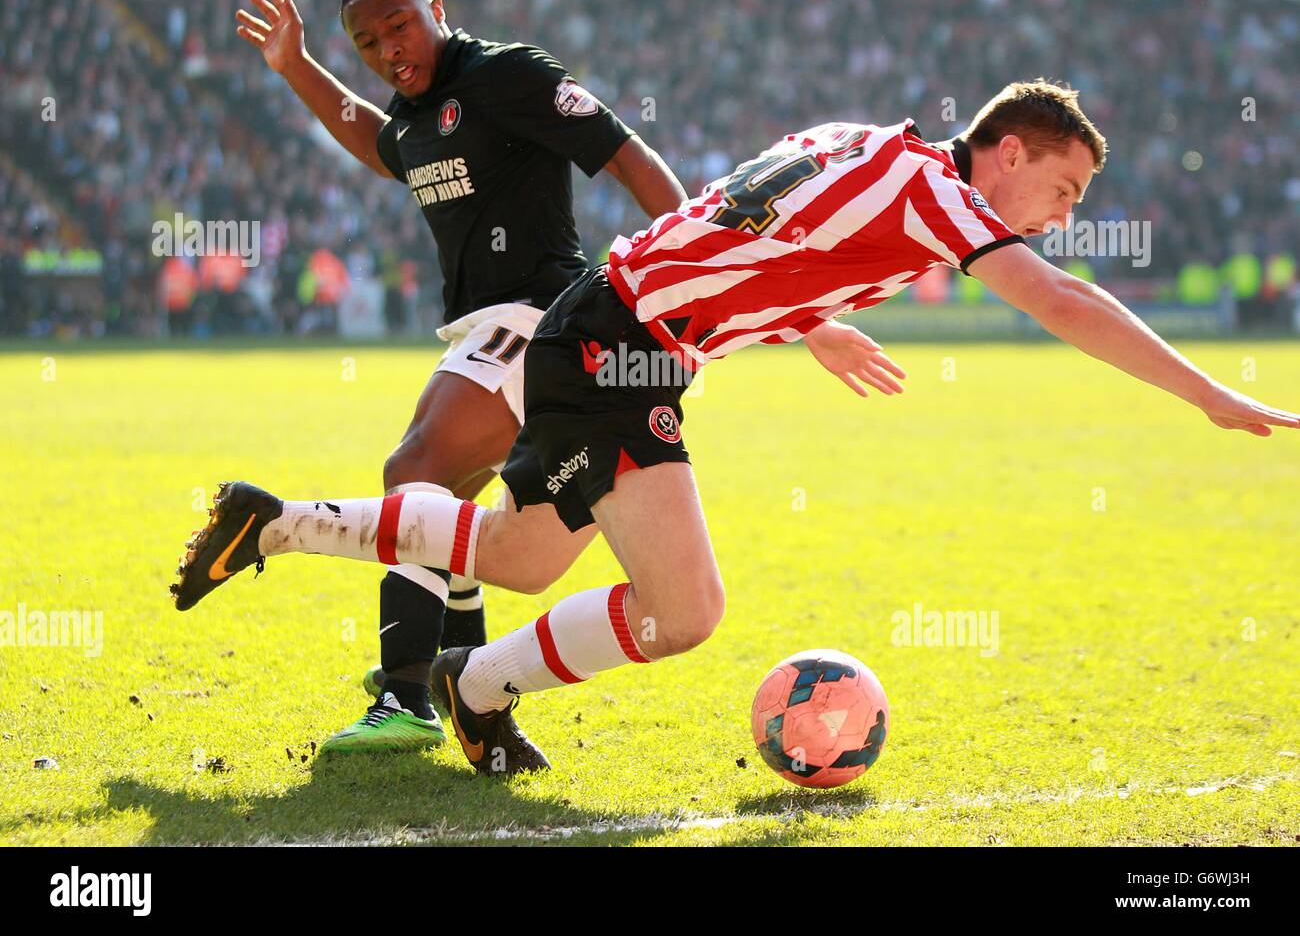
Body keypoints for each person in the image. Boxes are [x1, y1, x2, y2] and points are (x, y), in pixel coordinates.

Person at [169, 80, 1299, 776]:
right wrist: (1204, 392)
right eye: (1063, 190)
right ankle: (429, 648)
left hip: (628, 335)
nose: (1065, 217)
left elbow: (752, 232)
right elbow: (1061, 301)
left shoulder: (870, 142)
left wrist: (815, 322)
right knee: (680, 609)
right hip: (616, 341)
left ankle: (348, 587)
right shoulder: (940, 198)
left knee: (524, 559)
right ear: (1008, 152)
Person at [217, 0, 687, 753]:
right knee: (454, 511)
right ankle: (458, 674)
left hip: (542, 317)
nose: (388, 48)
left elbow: (625, 154)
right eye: (367, 42)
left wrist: (691, 270)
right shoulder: (416, 110)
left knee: (414, 474)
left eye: (400, 25)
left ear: (436, 8)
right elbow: (381, 145)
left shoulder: (505, 75)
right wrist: (296, 66)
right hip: (490, 325)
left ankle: (405, 694)